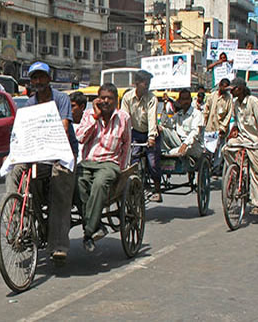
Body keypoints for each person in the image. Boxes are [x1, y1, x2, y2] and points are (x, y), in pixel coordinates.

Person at [3, 62, 78, 262]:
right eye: (34, 78)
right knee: (14, 172)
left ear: (49, 78)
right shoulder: (29, 104)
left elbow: (62, 129)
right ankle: (19, 224)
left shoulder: (61, 100)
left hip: (60, 154)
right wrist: (13, 152)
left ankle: (59, 244)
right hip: (37, 155)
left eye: (41, 77)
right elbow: (21, 133)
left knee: (59, 178)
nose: (38, 81)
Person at [75, 83, 131, 252]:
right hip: (88, 161)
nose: (106, 101)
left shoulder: (124, 118)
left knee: (99, 184)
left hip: (110, 163)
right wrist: (95, 117)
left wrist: (122, 170)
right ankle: (96, 224)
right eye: (103, 98)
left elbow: (127, 144)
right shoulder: (88, 115)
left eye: (110, 98)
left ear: (116, 101)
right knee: (76, 184)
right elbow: (81, 138)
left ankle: (88, 232)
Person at [222, 78, 258, 215]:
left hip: (254, 141)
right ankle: (236, 170)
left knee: (256, 172)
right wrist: (235, 129)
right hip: (242, 139)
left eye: (233, 89)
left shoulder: (253, 101)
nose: (231, 91)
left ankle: (256, 203)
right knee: (227, 147)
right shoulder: (235, 103)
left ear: (240, 88)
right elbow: (237, 122)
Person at [121, 70, 162, 202]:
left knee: (153, 162)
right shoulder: (127, 97)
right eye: (145, 84)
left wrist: (151, 137)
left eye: (149, 84)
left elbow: (152, 119)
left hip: (150, 132)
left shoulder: (152, 98)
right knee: (131, 160)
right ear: (136, 84)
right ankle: (134, 186)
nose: (147, 86)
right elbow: (124, 118)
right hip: (135, 133)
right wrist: (123, 136)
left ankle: (157, 190)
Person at [160, 89, 203, 158]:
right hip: (179, 142)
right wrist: (165, 106)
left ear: (191, 100)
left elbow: (195, 132)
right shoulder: (178, 114)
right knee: (161, 129)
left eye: (187, 99)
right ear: (179, 101)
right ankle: (164, 151)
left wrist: (185, 144)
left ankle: (169, 153)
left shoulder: (196, 114)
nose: (185, 102)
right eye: (183, 99)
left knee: (183, 150)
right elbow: (166, 124)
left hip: (192, 144)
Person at [203, 78, 233, 172]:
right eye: (223, 87)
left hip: (220, 129)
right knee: (207, 148)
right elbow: (206, 110)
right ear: (220, 86)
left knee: (219, 150)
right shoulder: (212, 96)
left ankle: (216, 168)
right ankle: (206, 166)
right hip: (209, 128)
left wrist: (223, 127)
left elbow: (229, 114)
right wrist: (203, 122)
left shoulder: (228, 99)